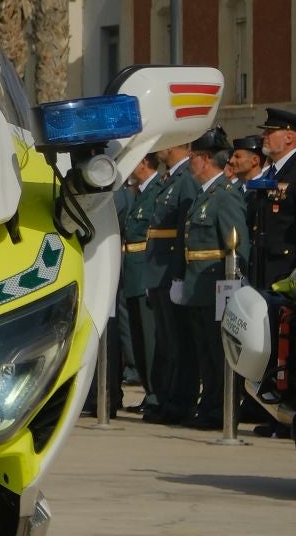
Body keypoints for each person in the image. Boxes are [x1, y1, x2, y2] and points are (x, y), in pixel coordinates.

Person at [179, 128, 251, 431]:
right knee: (205, 352)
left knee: (217, 351)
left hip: (216, 286)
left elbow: (237, 245)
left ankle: (219, 408)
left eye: (193, 157)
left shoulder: (224, 195)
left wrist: (233, 287)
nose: (190, 162)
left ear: (205, 159)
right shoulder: (204, 195)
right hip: (198, 285)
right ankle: (208, 404)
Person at [142, 142, 198, 425]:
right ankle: (165, 397)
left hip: (169, 268)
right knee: (165, 341)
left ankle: (179, 401)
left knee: (178, 343)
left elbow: (182, 232)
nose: (158, 147)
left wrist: (178, 274)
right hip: (158, 270)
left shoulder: (186, 179)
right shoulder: (172, 178)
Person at [250, 108, 296, 290]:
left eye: (270, 131)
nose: (264, 135)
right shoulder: (271, 171)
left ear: (289, 137)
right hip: (262, 264)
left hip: (286, 268)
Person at [117, 154, 159, 415]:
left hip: (145, 272)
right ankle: (149, 391)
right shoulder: (141, 193)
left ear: (144, 163)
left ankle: (155, 393)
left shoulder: (156, 191)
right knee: (138, 337)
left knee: (149, 338)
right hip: (133, 273)